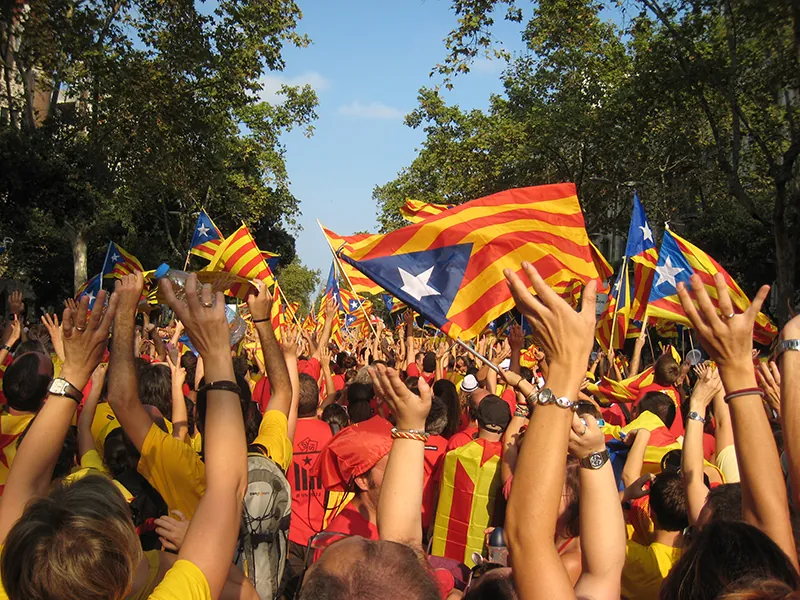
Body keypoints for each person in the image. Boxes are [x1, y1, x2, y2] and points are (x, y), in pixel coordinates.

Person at [0, 275, 252, 599]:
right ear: (129, 572)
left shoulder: (11, 577)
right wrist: (218, 353)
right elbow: (227, 489)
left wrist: (74, 372)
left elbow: (26, 481)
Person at [431, 395, 511, 566]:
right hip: (492, 556)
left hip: (448, 553)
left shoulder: (454, 456)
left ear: (476, 420)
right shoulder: (510, 467)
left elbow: (438, 495)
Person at [621, 471, 687, 599]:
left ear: (651, 513)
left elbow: (587, 521)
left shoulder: (631, 556)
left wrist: (626, 494)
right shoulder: (696, 558)